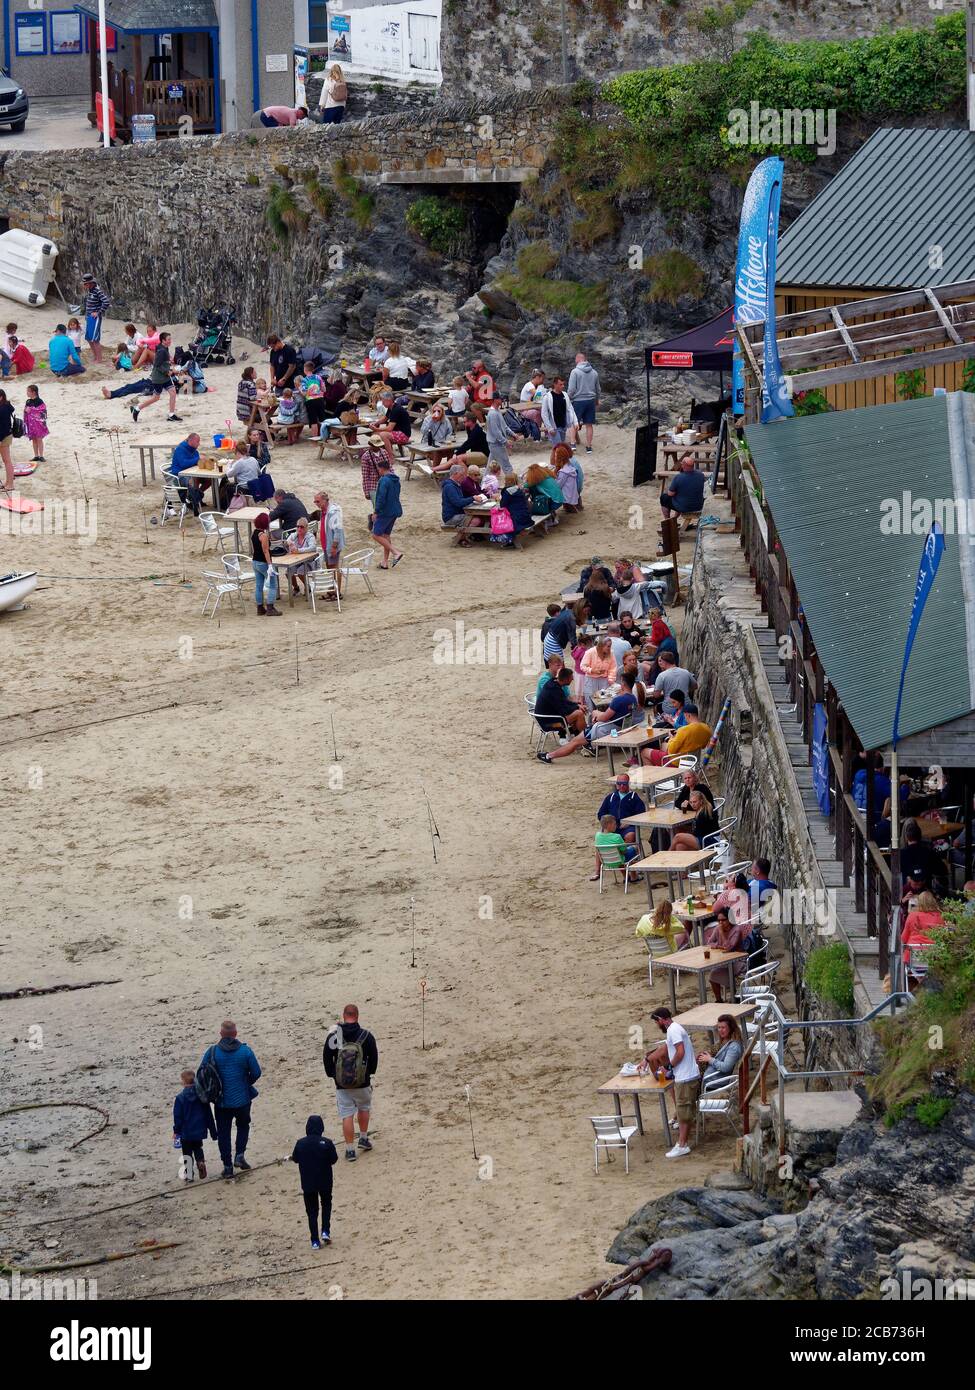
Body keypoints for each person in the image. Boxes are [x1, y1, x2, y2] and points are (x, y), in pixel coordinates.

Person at [200, 1020, 262, 1179]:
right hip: (243, 1099)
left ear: (221, 1033)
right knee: (243, 1126)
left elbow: (202, 1074)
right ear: (235, 1034)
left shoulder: (212, 1052)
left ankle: (227, 1166)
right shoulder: (245, 1051)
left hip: (221, 1102)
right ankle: (239, 1155)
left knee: (224, 1134)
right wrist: (245, 1082)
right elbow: (256, 1072)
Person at [640, 1007, 699, 1158]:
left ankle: (682, 1145)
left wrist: (669, 1067)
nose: (656, 1025)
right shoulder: (673, 1029)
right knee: (683, 1111)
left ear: (661, 1020)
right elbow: (665, 1049)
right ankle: (681, 1142)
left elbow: (680, 1052)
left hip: (686, 1077)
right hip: (684, 1076)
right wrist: (647, 1060)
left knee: (683, 1113)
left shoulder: (673, 1030)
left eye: (656, 1022)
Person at [323, 1004, 379, 1162]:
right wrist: (369, 1073)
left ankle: (349, 1150)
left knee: (347, 1115)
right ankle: (363, 1138)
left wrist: (332, 1075)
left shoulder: (335, 1037)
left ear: (343, 1016)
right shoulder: (366, 1036)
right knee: (364, 1108)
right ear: (357, 1016)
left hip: (342, 1083)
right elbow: (374, 1058)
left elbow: (327, 1057)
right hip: (362, 1081)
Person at [290, 1116, 339, 1250]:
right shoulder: (327, 1143)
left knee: (312, 1211)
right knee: (326, 1204)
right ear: (321, 1128)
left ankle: (314, 1241)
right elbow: (334, 1159)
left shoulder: (300, 1143)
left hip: (308, 1183)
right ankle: (325, 1231)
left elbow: (295, 1159)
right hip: (325, 1181)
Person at [591, 773, 645, 879]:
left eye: (624, 784)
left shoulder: (634, 797)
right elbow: (601, 814)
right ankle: (597, 871)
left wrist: (629, 822)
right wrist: (608, 824)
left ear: (628, 784)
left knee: (630, 836)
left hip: (628, 827)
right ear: (616, 785)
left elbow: (642, 814)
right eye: (619, 784)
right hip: (612, 827)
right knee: (601, 843)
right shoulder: (610, 797)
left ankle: (628, 867)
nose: (621, 786)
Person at [173, 1067, 217, 1182]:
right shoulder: (201, 1096)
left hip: (186, 1132)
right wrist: (213, 1131)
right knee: (198, 1148)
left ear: (183, 1082)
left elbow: (178, 1117)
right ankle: (201, 1162)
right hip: (199, 1130)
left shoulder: (180, 1098)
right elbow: (208, 1114)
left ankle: (189, 1175)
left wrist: (176, 1131)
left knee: (187, 1153)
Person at [702, 907, 751, 1001]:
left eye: (723, 920)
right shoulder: (718, 928)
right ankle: (719, 1000)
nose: (720, 923)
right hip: (723, 960)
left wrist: (721, 933)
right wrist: (719, 946)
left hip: (738, 961)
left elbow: (729, 947)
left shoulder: (736, 930)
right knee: (712, 975)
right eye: (719, 920)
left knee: (716, 973)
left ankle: (734, 995)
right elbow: (709, 943)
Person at [130, 331, 180, 423]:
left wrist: (169, 367)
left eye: (170, 339)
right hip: (158, 378)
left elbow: (162, 362)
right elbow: (156, 364)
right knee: (156, 398)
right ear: (163, 340)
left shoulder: (164, 348)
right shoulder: (162, 351)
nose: (170, 341)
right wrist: (167, 371)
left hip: (164, 377)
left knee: (173, 393)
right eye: (168, 339)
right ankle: (137, 408)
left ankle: (171, 415)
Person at [643, 702, 712, 765]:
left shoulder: (684, 730)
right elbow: (703, 746)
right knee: (663, 745)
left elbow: (671, 750)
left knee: (644, 752)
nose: (685, 719)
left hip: (676, 763)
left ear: (688, 715)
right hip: (693, 761)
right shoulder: (707, 728)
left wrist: (671, 738)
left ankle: (655, 776)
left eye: (685, 717)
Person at [901, 889, 943, 975]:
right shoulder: (941, 917)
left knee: (899, 957)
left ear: (919, 902)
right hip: (935, 958)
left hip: (915, 958)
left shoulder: (912, 915)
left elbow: (903, 938)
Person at [372, 457, 403, 569]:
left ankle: (396, 552)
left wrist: (376, 511)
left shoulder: (384, 480)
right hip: (395, 510)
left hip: (385, 511)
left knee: (376, 534)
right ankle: (384, 562)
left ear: (381, 469)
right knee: (386, 535)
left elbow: (380, 498)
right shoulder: (396, 480)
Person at [567, 351, 600, 451]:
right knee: (589, 424)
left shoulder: (575, 372)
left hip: (578, 400)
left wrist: (568, 398)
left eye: (575, 359)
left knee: (573, 422)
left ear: (578, 359)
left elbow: (572, 389)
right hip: (590, 400)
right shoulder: (594, 372)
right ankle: (589, 446)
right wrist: (597, 400)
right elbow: (598, 389)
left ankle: (573, 444)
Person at [696, 1015, 743, 1085]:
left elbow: (726, 1067)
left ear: (731, 1028)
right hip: (711, 1077)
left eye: (723, 1027)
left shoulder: (734, 1047)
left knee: (688, 1082)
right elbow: (714, 1052)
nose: (720, 1030)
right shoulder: (723, 1041)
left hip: (715, 1081)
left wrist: (709, 1059)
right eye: (719, 1027)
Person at [251, 512, 282, 617]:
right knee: (273, 585)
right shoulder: (263, 535)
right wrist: (270, 565)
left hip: (255, 561)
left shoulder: (254, 533)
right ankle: (270, 607)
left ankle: (260, 608)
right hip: (263, 562)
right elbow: (266, 551)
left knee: (259, 586)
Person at [315, 491, 345, 596]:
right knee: (330, 568)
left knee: (334, 568)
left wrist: (334, 546)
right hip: (326, 544)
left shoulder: (332, 512)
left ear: (324, 500)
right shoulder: (324, 512)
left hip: (332, 545)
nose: (316, 503)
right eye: (315, 501)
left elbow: (337, 530)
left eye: (318, 501)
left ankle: (337, 593)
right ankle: (332, 591)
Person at [661, 455, 705, 521]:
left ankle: (667, 521)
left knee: (664, 498)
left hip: (685, 507)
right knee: (680, 496)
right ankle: (674, 519)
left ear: (684, 466)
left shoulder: (678, 477)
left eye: (682, 464)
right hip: (699, 505)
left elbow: (670, 494)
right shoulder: (701, 475)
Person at [169, 433, 205, 515]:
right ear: (191, 441)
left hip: (190, 473)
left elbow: (195, 459)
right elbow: (183, 464)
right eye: (197, 441)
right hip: (178, 476)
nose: (199, 443)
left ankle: (194, 497)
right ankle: (193, 498)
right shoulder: (180, 449)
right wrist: (198, 459)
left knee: (208, 480)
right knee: (192, 481)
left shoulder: (193, 449)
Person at [580, 635, 616, 711]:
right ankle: (592, 721)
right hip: (591, 680)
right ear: (601, 646)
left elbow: (613, 668)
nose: (609, 648)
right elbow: (582, 666)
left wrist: (611, 680)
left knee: (605, 702)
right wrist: (592, 670)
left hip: (604, 680)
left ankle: (604, 720)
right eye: (608, 646)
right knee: (591, 702)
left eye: (610, 646)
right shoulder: (590, 652)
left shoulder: (611, 653)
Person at [81, 272, 109, 364]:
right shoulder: (90, 291)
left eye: (86, 284)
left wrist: (98, 312)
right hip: (89, 317)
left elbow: (106, 302)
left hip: (95, 318)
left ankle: (99, 359)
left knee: (95, 339)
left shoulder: (97, 291)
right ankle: (95, 356)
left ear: (91, 283)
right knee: (89, 338)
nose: (85, 285)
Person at [541, 375, 578, 444]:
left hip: (563, 425)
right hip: (554, 426)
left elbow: (570, 409)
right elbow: (544, 413)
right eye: (560, 384)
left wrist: (575, 422)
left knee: (559, 447)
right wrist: (549, 428)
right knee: (559, 447)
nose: (563, 386)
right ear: (555, 384)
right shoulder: (547, 397)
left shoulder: (565, 395)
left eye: (563, 384)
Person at [486, 394, 516, 473]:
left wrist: (513, 434)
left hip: (495, 443)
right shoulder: (493, 414)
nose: (502, 400)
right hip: (496, 444)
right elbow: (496, 432)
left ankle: (483, 484)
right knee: (506, 466)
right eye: (500, 399)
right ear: (495, 400)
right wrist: (505, 442)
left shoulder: (497, 411)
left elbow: (504, 426)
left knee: (489, 469)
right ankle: (512, 482)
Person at [360, 434, 387, 519]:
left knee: (386, 505)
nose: (378, 447)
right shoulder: (365, 457)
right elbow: (365, 475)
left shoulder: (384, 452)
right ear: (370, 445)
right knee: (377, 508)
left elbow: (389, 467)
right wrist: (366, 492)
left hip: (385, 483)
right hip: (373, 485)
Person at [419, 403, 453, 469]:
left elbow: (450, 432)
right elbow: (423, 431)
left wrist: (446, 441)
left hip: (441, 444)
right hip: (429, 445)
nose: (436, 412)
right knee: (437, 452)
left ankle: (448, 469)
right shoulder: (428, 419)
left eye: (438, 411)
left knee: (451, 450)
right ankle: (435, 471)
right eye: (434, 411)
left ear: (442, 412)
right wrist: (432, 421)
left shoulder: (445, 420)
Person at [299, 361, 327, 439]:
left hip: (310, 401)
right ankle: (325, 437)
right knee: (322, 420)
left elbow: (304, 394)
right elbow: (324, 389)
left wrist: (300, 390)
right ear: (313, 369)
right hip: (320, 399)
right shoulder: (318, 377)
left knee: (313, 421)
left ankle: (315, 439)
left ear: (305, 369)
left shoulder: (304, 380)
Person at [23, 385, 48, 464]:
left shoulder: (39, 401)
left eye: (28, 391)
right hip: (30, 424)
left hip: (38, 424)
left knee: (39, 439)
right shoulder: (28, 401)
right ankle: (36, 455)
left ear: (34, 392)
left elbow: (43, 411)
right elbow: (25, 411)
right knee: (33, 439)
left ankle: (41, 456)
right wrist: (25, 412)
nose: (27, 393)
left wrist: (31, 410)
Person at [552, 443, 580, 510]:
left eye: (556, 456)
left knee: (549, 492)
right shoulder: (570, 467)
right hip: (573, 495)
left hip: (567, 498)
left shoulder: (563, 472)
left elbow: (558, 486)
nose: (554, 458)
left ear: (559, 458)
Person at [0, 390, 14, 491]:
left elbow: (4, 427)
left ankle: (11, 484)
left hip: (4, 437)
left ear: (1, 397)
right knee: (6, 461)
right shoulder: (4, 406)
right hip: (4, 436)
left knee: (7, 461)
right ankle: (7, 482)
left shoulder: (3, 409)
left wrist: (0, 439)